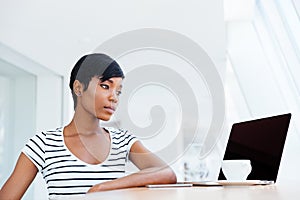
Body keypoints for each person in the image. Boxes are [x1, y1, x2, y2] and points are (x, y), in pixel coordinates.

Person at [0, 53, 177, 199]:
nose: (114, 97)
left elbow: (167, 173)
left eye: (119, 91)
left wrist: (102, 188)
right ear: (78, 88)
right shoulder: (44, 143)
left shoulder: (123, 141)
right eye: (105, 86)